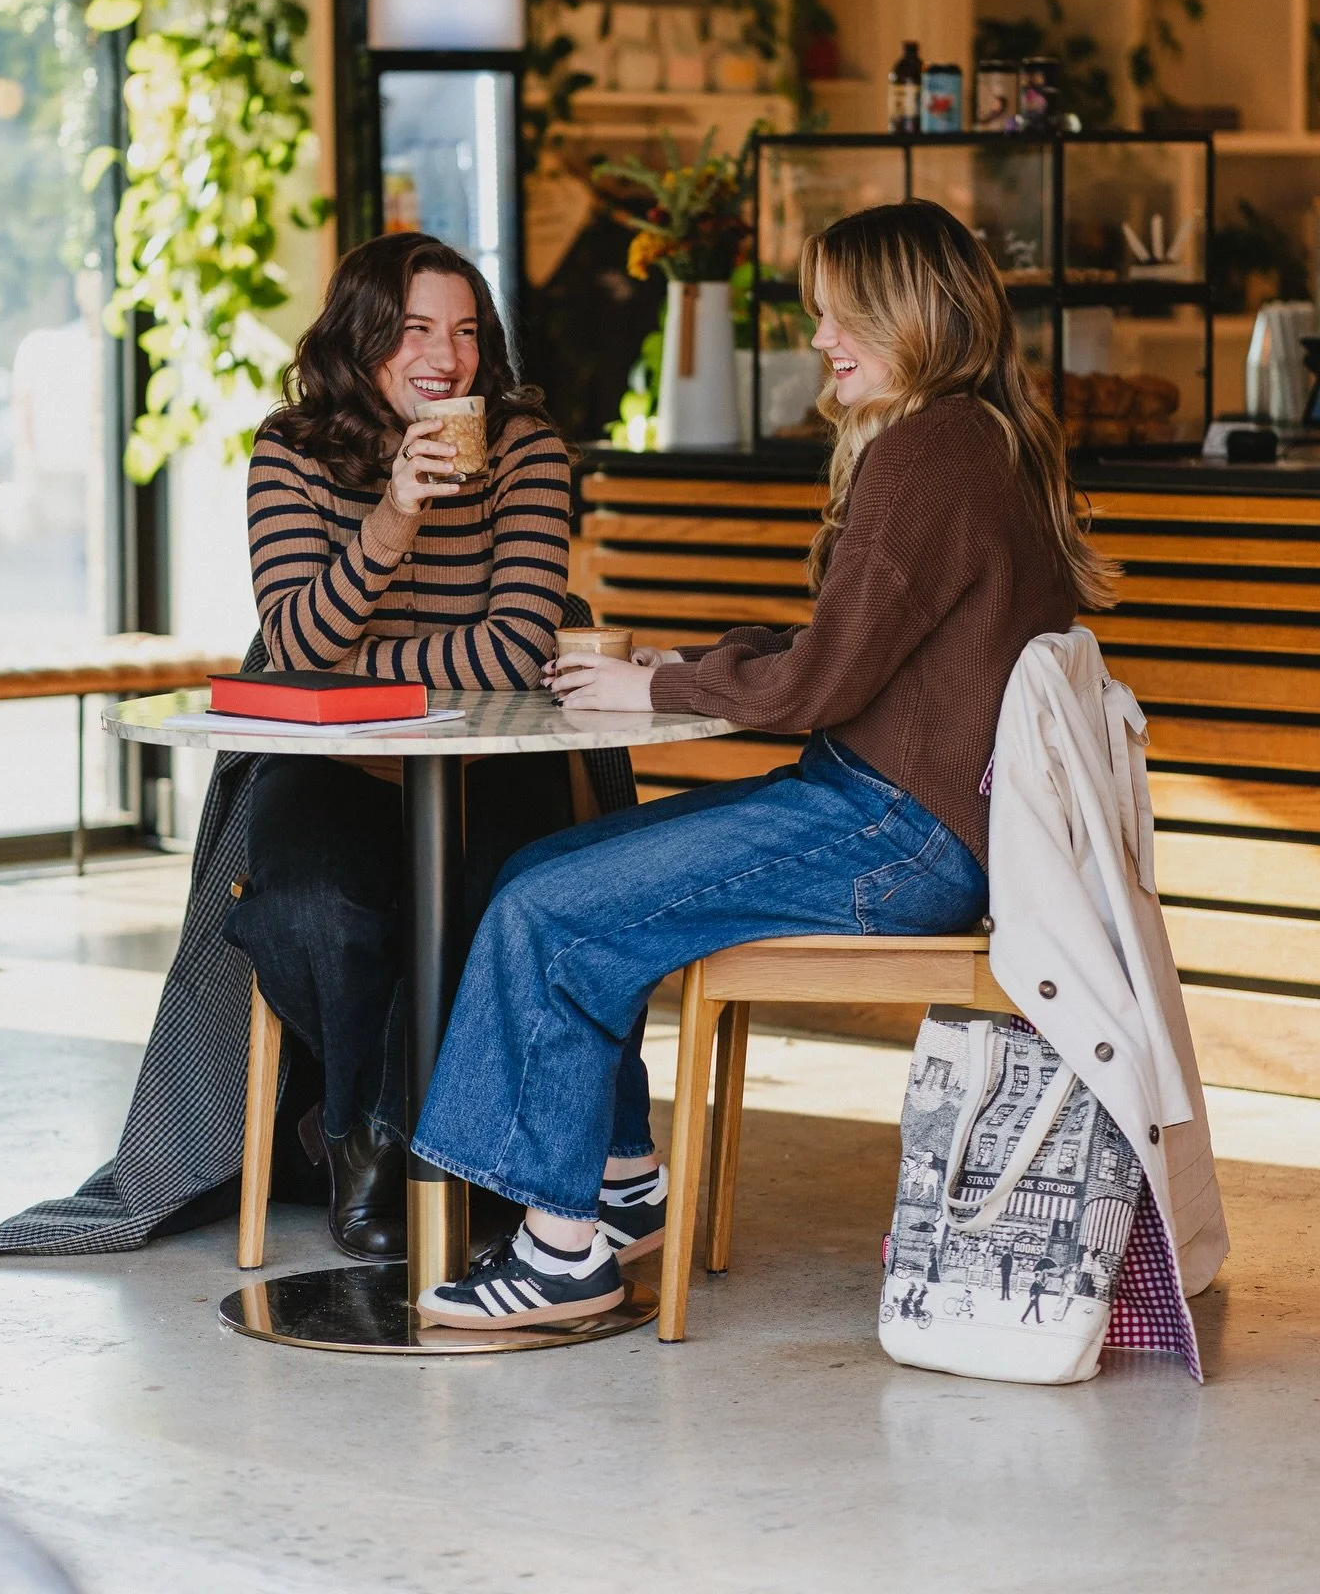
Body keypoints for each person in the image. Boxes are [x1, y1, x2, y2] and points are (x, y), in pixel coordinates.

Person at [407, 197, 1117, 1329]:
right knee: (545, 868)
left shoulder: (928, 453)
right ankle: (621, 1184)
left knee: (549, 910)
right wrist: (694, 665)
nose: (820, 337)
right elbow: (855, 650)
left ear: (911, 314)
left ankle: (561, 1258)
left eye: (840, 314)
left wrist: (660, 687)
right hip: (899, 819)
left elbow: (820, 686)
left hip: (894, 834)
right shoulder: (978, 440)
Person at [223, 231, 584, 1264]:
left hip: (495, 761)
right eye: (417, 329)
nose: (447, 356)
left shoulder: (524, 449)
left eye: (466, 332)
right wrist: (392, 516)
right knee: (311, 905)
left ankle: (389, 1143)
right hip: (336, 761)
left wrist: (360, 659)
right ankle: (356, 1129)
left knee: (499, 901)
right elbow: (295, 646)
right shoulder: (291, 452)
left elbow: (516, 649)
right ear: (362, 338)